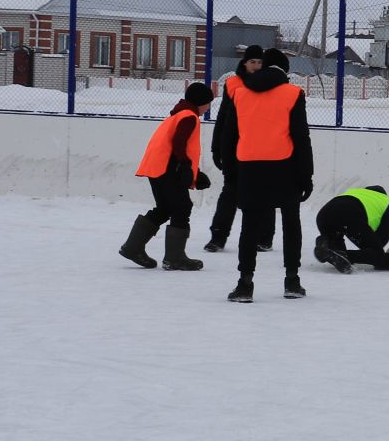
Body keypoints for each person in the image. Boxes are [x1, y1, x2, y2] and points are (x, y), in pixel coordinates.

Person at [222, 48, 313, 302]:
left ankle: (245, 284)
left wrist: (231, 173)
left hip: (250, 168)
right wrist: (306, 175)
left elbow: (230, 137)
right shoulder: (293, 94)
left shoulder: (240, 94)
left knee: (249, 226)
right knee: (290, 223)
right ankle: (292, 281)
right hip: (285, 168)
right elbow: (301, 138)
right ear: (285, 71)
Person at [119, 82, 215, 271]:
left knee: (165, 208)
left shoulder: (178, 114)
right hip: (167, 169)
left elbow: (175, 147)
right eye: (208, 103)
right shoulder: (189, 117)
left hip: (157, 168)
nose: (209, 107)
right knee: (182, 207)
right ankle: (175, 258)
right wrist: (186, 166)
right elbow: (179, 143)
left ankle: (133, 247)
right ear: (201, 102)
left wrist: (194, 173)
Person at [205, 45, 273, 254]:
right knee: (230, 193)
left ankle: (264, 238)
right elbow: (223, 117)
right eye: (252, 61)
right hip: (235, 148)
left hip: (261, 148)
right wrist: (217, 148)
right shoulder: (233, 83)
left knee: (263, 194)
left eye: (259, 62)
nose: (256, 66)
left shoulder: (269, 84)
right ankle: (218, 237)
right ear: (244, 62)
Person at [313, 185, 389, 273]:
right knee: (378, 255)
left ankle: (325, 241)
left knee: (335, 249)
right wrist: (373, 249)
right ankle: (344, 255)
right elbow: (383, 238)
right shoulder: (385, 201)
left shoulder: (357, 192)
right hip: (350, 215)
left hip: (324, 215)